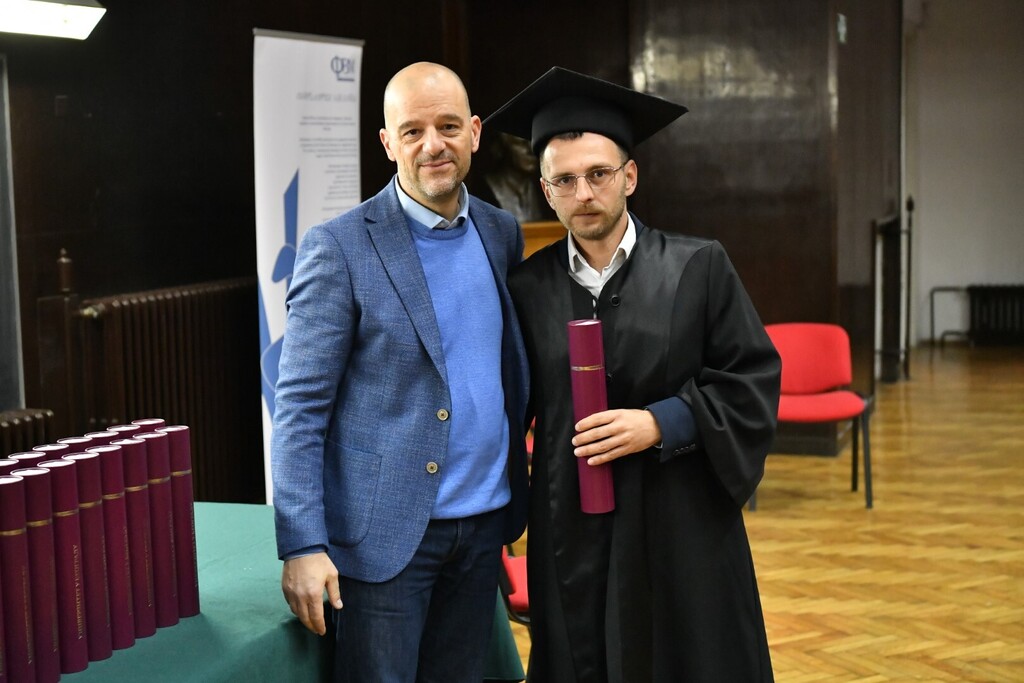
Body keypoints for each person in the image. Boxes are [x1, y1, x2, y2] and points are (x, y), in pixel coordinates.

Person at [486, 67, 782, 682]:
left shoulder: (698, 267)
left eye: (598, 174)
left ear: (630, 176)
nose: (584, 193)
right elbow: (505, 408)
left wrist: (661, 422)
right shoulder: (526, 288)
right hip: (573, 525)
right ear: (546, 192)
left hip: (680, 519)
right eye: (565, 180)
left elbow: (751, 380)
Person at [271, 62, 530, 683]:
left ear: (475, 132)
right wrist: (302, 542)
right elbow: (299, 409)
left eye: (448, 127)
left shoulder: (501, 234)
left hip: (484, 526)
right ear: (388, 143)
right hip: (383, 540)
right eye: (412, 131)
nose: (432, 145)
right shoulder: (339, 247)